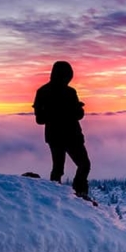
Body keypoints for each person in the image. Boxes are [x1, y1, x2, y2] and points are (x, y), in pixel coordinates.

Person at [33, 61, 91, 198]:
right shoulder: (69, 92)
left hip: (57, 136)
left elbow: (39, 119)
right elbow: (78, 115)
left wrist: (68, 110)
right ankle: (79, 194)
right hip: (70, 136)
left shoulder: (43, 91)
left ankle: (57, 196)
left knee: (59, 168)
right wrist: (71, 110)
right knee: (83, 165)